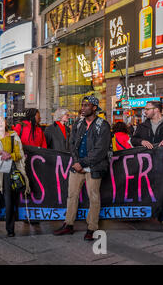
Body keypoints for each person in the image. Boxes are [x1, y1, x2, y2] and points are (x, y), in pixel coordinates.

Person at [53, 96, 111, 241]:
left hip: (94, 167)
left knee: (94, 197)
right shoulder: (78, 123)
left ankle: (92, 228)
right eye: (82, 105)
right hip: (77, 166)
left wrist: (83, 163)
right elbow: (71, 143)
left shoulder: (102, 125)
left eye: (87, 105)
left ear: (94, 108)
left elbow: (100, 150)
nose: (83, 108)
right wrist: (77, 162)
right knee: (71, 196)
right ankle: (68, 224)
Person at [131, 101, 163, 229]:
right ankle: (145, 214)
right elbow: (133, 140)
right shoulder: (142, 126)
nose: (145, 111)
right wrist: (141, 141)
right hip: (146, 166)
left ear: (156, 110)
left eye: (147, 109)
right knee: (144, 189)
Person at [0, 115, 30, 238]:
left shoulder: (13, 136)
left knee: (9, 200)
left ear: (5, 123)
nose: (0, 123)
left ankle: (10, 229)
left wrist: (9, 155)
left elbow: (19, 153)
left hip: (8, 170)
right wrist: (0, 152)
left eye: (2, 121)